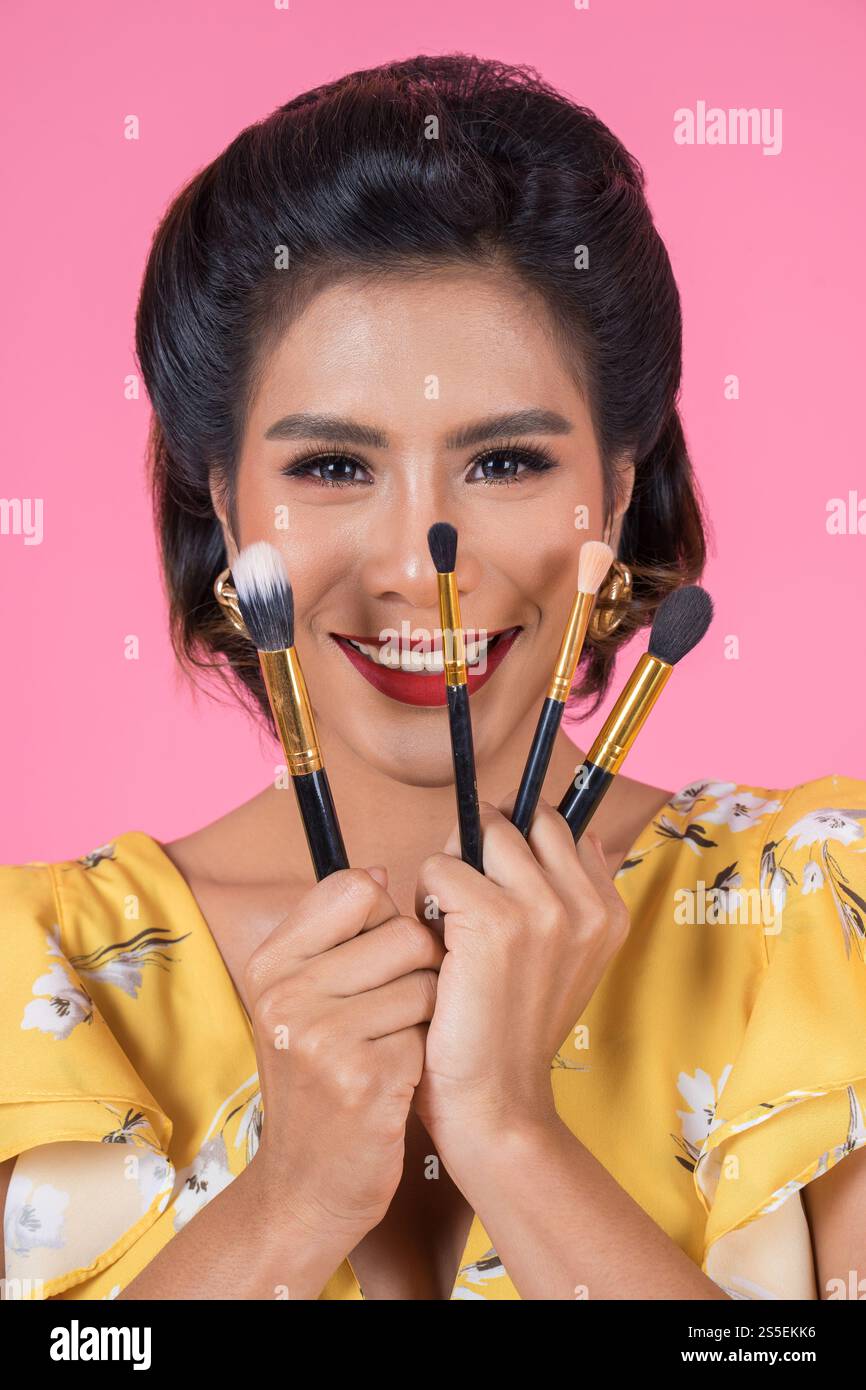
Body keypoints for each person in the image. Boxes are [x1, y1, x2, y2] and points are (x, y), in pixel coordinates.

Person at [2, 54, 865, 1302]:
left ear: (618, 488)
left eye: (505, 461)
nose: (416, 565)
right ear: (223, 492)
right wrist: (285, 1206)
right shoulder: (39, 984)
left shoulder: (819, 925)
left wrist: (514, 1137)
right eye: (333, 469)